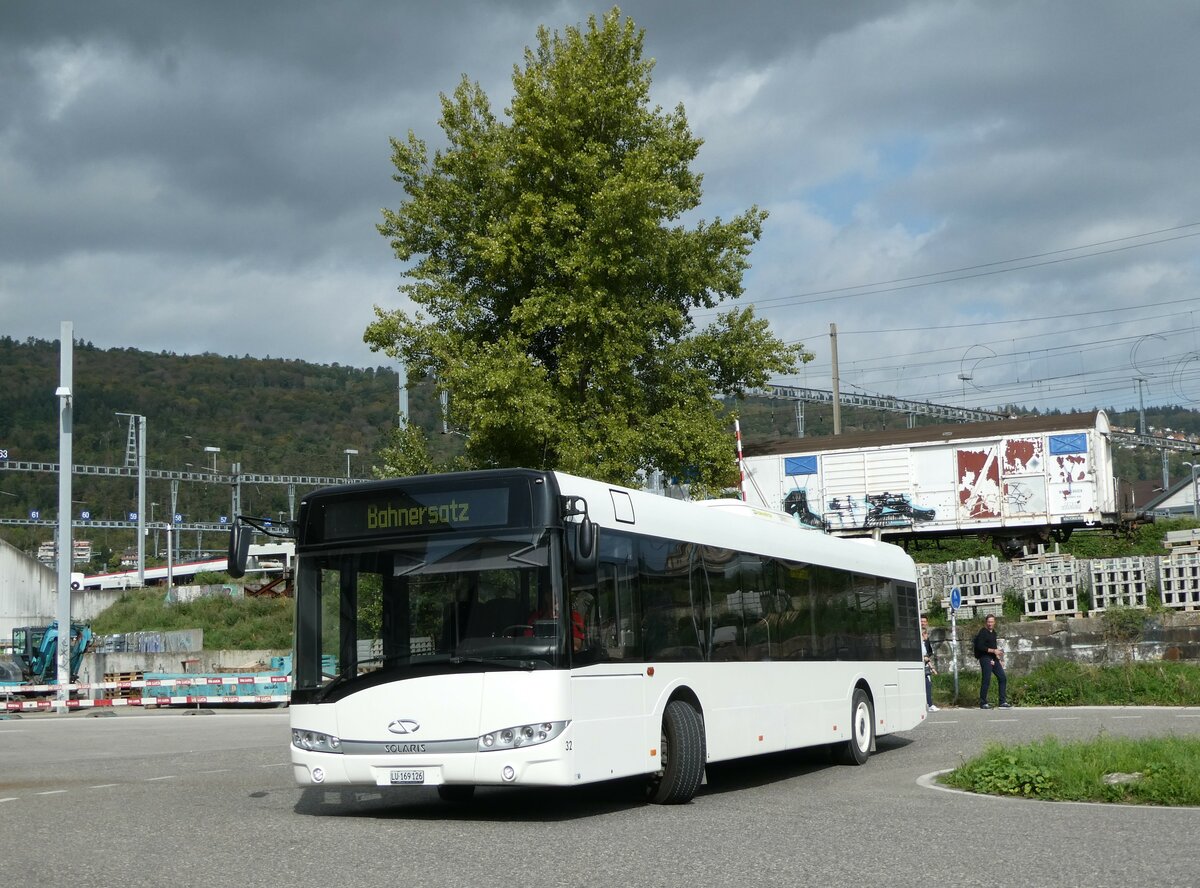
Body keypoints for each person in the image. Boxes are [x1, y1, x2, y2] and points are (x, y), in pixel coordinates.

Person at [972, 614, 1011, 709]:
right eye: (989, 622)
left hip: (993, 658)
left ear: (994, 622)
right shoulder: (983, 632)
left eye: (992, 622)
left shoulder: (993, 633)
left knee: (1002, 678)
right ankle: (983, 702)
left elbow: (994, 647)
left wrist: (999, 659)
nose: (990, 624)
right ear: (986, 622)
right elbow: (980, 647)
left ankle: (1002, 702)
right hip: (985, 658)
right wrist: (993, 651)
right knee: (986, 679)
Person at [921, 616, 938, 711]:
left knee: (928, 684)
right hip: (921, 665)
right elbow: (924, 654)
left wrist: (931, 666)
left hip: (925, 664)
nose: (923, 623)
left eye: (924, 621)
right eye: (921, 621)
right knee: (926, 684)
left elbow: (928, 652)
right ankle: (929, 704)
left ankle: (929, 704)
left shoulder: (926, 639)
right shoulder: (916, 637)